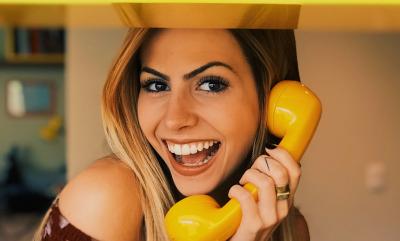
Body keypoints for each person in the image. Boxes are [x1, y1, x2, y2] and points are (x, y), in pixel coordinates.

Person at [33, 28, 310, 241]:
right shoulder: (105, 197)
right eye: (155, 85)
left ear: (271, 100)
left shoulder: (290, 231)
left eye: (211, 84)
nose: (175, 119)